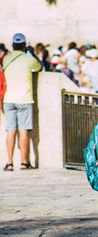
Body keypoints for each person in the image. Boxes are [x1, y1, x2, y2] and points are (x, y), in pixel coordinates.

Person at [2, 33, 42, 171]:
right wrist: (32, 53)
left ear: (12, 45)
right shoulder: (28, 59)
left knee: (10, 131)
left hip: (8, 99)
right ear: (25, 45)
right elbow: (39, 67)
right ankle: (24, 162)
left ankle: (9, 162)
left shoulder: (6, 58)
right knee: (23, 131)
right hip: (24, 99)